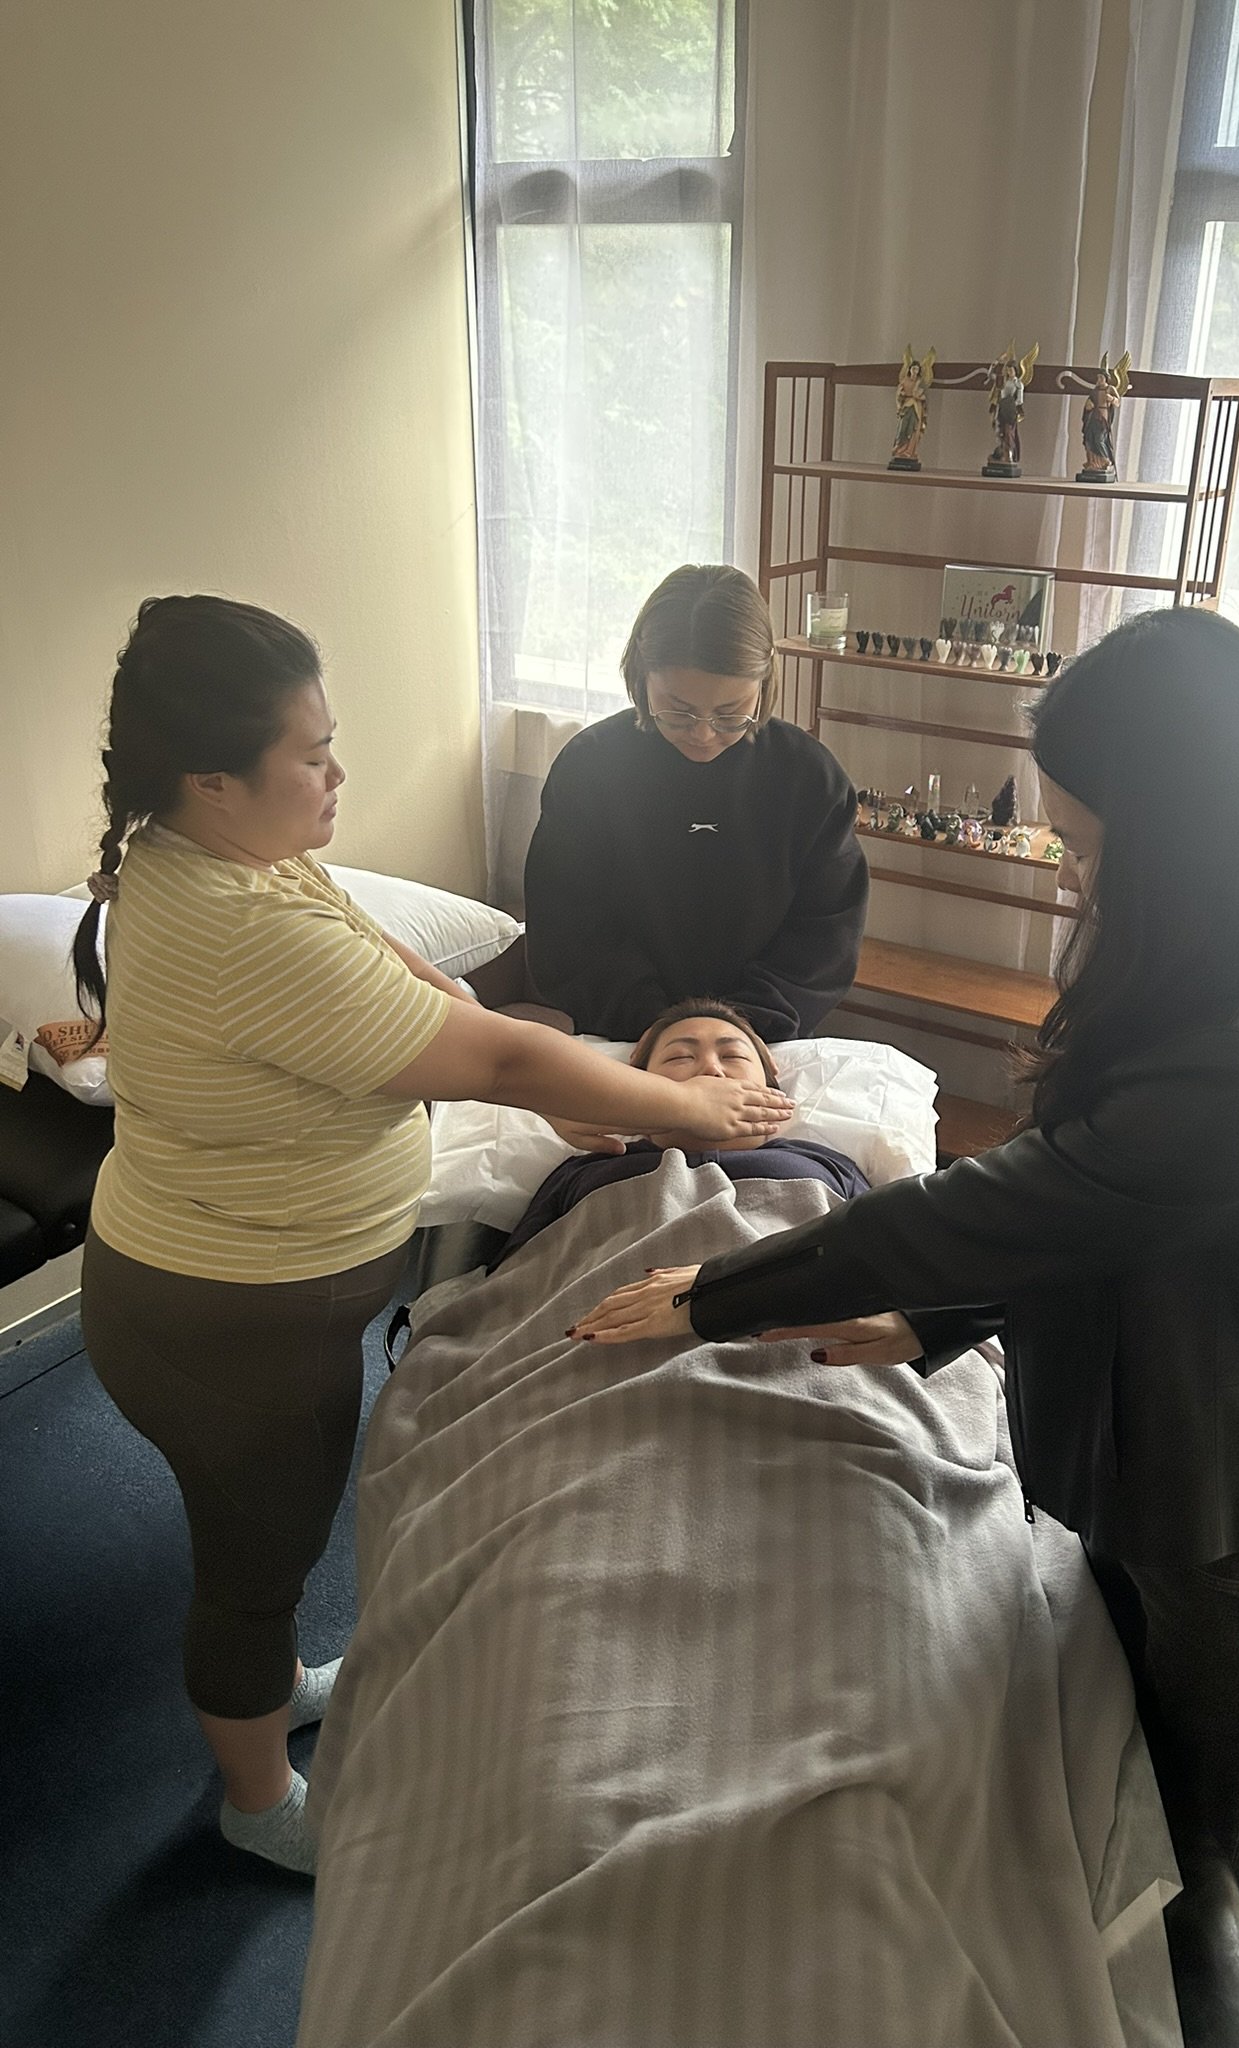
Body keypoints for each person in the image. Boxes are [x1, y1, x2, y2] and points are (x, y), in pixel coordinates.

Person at [570, 605, 1239, 1998]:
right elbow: (1114, 1218)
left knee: (1218, 1940)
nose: (1071, 878)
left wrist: (716, 1294)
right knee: (1116, 1880)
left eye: (1094, 848)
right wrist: (939, 1322)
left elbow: (1007, 1203)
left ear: (1187, 838)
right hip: (1172, 1521)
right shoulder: (1232, 980)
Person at [72, 596, 791, 1877]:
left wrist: (549, 1066)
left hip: (245, 1286)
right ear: (210, 780)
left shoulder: (220, 854)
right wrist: (684, 1100)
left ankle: (279, 1673)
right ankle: (253, 1798)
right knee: (253, 1561)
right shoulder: (241, 929)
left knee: (265, 1533)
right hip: (221, 1314)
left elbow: (408, 971)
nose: (339, 772)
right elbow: (501, 1054)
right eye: (312, 755)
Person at [521, 564, 869, 1044]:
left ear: (764, 682)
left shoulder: (810, 780)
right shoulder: (590, 768)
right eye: (678, 711)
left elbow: (826, 936)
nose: (703, 734)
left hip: (759, 1039)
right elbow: (567, 927)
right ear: (641, 675)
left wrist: (738, 1032)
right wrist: (659, 1029)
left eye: (730, 714)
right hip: (623, 1035)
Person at [496, 998, 868, 1263]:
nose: (711, 1070)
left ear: (771, 1082)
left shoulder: (828, 1166)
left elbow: (889, 1267)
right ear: (636, 1086)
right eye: (679, 1057)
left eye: (733, 1056)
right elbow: (516, 1279)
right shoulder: (584, 1171)